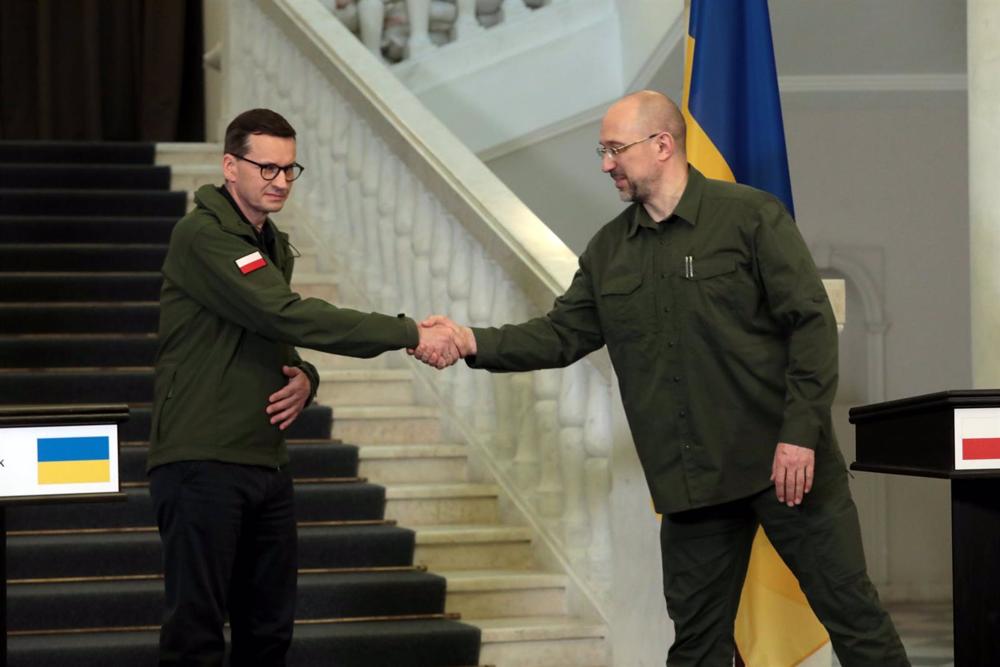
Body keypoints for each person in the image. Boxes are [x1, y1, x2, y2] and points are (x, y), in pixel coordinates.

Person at [413, 91, 910, 666]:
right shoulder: (607, 252)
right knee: (696, 648)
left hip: (785, 464)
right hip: (693, 481)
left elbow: (811, 325)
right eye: (602, 151)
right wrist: (471, 340)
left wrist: (799, 433)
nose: (605, 164)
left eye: (615, 150)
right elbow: (558, 335)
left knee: (854, 618)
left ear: (662, 145)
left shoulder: (750, 216)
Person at [147, 108, 458, 666]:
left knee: (268, 632)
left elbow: (269, 333)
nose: (281, 181)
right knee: (195, 637)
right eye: (266, 168)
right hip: (202, 458)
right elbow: (283, 314)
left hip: (263, 459)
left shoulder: (268, 240)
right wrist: (408, 331)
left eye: (290, 169)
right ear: (229, 166)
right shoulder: (204, 235)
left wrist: (306, 377)